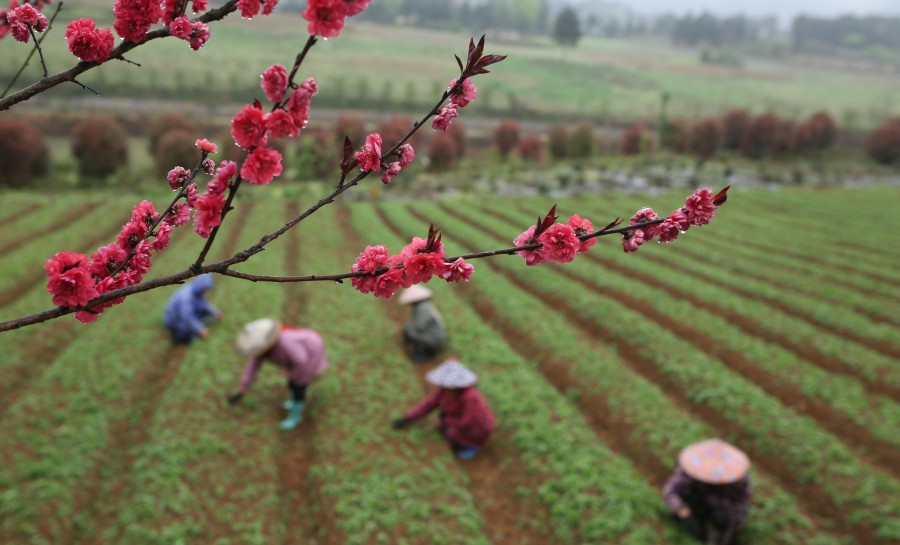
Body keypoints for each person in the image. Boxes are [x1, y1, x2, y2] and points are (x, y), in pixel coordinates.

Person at [227, 318, 328, 430]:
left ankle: (296, 416)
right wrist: (243, 387)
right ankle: (293, 400)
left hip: (311, 351)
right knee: (292, 383)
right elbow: (252, 366)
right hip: (299, 358)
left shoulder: (284, 342)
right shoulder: (262, 349)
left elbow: (301, 360)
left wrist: (294, 378)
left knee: (298, 386)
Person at [392, 359, 495, 460]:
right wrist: (407, 418)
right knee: (445, 426)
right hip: (458, 418)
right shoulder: (443, 390)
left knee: (453, 435)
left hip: (477, 428)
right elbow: (428, 404)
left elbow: (469, 421)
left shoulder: (470, 397)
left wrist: (448, 421)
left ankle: (469, 446)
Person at [663, 438, 752, 545]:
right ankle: (698, 526)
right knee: (685, 511)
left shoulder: (738, 479)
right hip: (696, 499)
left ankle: (714, 532)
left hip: (721, 505)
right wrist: (685, 513)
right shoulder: (691, 470)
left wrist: (726, 539)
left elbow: (740, 507)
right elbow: (669, 491)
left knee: (721, 518)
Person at [163, 273, 222, 344]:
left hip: (186, 314)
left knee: (203, 316)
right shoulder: (186, 296)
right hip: (175, 320)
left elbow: (202, 304)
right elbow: (187, 317)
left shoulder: (198, 291)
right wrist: (200, 329)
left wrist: (214, 312)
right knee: (188, 335)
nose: (206, 291)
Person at [399, 285, 446, 363]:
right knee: (409, 329)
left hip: (435, 338)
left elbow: (419, 326)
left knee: (409, 330)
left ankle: (425, 352)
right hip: (433, 335)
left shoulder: (423, 308)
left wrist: (408, 329)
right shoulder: (423, 305)